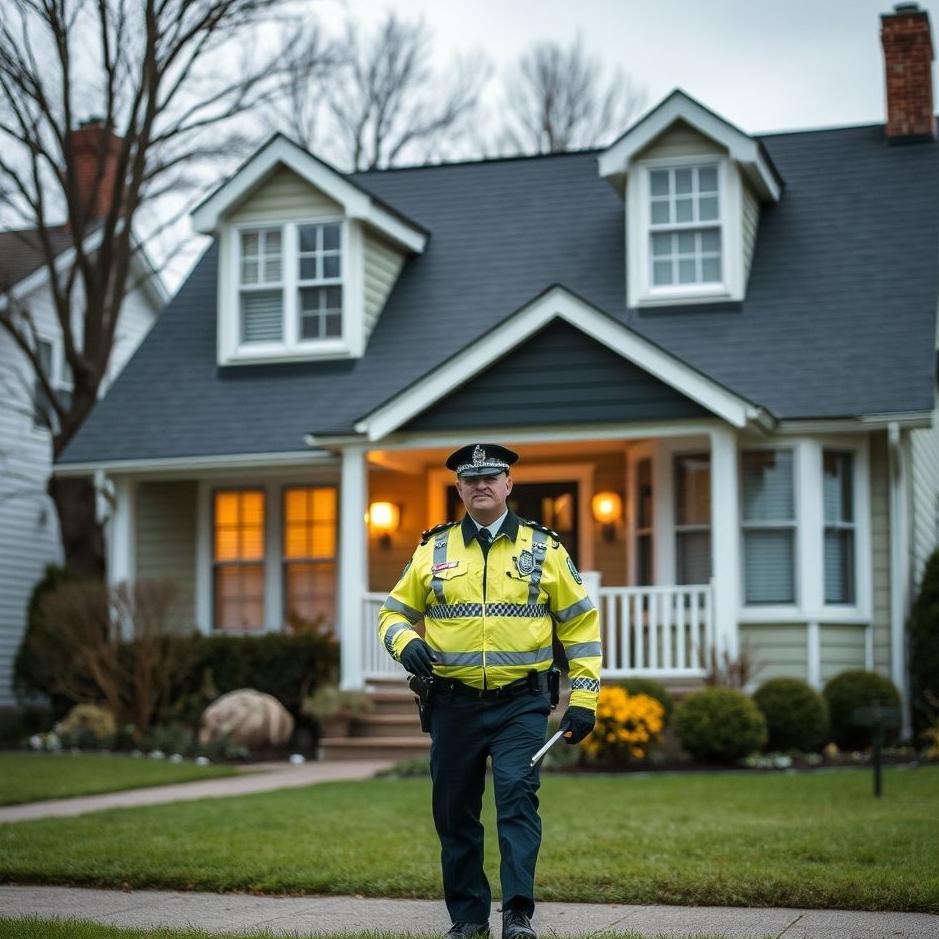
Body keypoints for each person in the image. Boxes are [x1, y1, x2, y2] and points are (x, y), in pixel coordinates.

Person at [378, 443, 602, 939]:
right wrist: (404, 640)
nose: (481, 484)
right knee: (454, 813)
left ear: (508, 485)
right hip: (452, 705)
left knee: (517, 799)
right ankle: (468, 919)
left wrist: (583, 699)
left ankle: (518, 915)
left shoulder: (544, 549)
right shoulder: (433, 549)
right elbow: (391, 613)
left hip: (520, 704)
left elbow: (581, 626)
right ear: (458, 488)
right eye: (470, 478)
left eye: (491, 476)